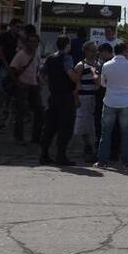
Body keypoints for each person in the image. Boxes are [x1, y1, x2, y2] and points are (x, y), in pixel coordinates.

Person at [94, 42, 128, 169]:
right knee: (126, 133)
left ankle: (102, 161)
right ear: (124, 51)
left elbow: (103, 84)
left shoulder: (106, 65)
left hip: (109, 101)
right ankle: (126, 162)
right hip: (126, 102)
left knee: (106, 133)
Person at [39, 35, 80, 166]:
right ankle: (60, 156)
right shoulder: (67, 57)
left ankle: (44, 154)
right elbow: (69, 73)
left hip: (53, 95)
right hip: (65, 96)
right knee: (65, 127)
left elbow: (41, 75)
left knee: (50, 126)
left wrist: (50, 84)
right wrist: (77, 81)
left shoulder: (50, 58)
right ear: (67, 45)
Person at [7, 33, 44, 144]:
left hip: (34, 85)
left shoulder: (36, 55)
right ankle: (18, 137)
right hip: (22, 86)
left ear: (38, 44)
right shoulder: (20, 55)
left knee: (39, 111)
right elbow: (12, 70)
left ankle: (36, 137)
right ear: (26, 43)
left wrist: (39, 82)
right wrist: (18, 83)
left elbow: (36, 71)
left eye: (35, 42)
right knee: (21, 112)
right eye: (30, 41)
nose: (33, 44)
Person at [74, 41, 99, 162]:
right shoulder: (80, 65)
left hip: (95, 97)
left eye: (96, 50)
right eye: (92, 50)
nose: (95, 53)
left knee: (93, 123)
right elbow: (75, 82)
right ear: (86, 51)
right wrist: (76, 98)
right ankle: (87, 146)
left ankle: (93, 146)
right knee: (84, 122)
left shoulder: (98, 64)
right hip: (84, 97)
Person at [94, 43, 120, 160]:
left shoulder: (105, 65)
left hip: (104, 98)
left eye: (100, 53)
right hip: (118, 100)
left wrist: (94, 72)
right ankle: (114, 152)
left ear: (106, 52)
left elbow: (99, 83)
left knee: (102, 127)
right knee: (115, 127)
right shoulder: (119, 64)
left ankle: (102, 153)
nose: (99, 56)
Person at [0, 18, 22, 119]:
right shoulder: (4, 36)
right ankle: (1, 109)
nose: (18, 29)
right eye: (17, 27)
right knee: (2, 88)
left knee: (11, 89)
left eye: (19, 27)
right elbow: (0, 50)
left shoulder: (19, 38)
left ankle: (7, 108)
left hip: (15, 67)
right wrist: (6, 64)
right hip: (5, 65)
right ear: (11, 26)